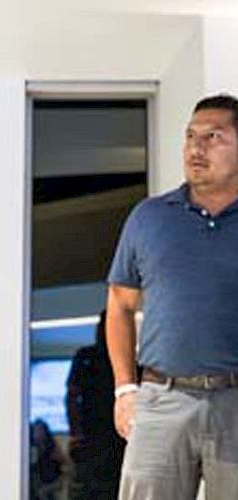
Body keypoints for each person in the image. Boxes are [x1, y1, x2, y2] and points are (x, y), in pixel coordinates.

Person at [106, 94, 238, 500]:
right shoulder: (149, 217)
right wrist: (125, 390)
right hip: (161, 400)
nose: (196, 148)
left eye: (213, 136)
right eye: (190, 136)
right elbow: (120, 306)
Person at [66, 310, 126, 499]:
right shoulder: (86, 357)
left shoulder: (127, 361)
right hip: (92, 437)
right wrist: (76, 433)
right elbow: (72, 396)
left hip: (117, 438)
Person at [29, 418, 65, 500]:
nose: (38, 433)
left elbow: (62, 461)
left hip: (53, 480)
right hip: (37, 478)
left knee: (41, 492)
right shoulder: (31, 446)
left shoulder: (51, 445)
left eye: (40, 430)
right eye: (36, 431)